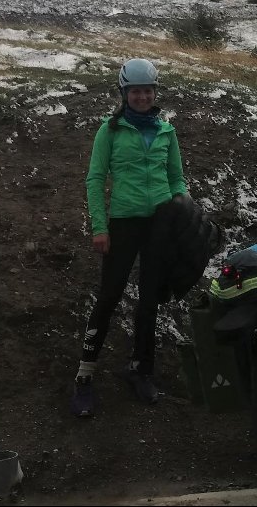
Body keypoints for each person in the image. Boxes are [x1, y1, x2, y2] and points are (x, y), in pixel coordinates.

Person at [71, 58, 188, 417]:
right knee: (108, 297)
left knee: (149, 300)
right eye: (135, 91)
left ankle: (140, 370)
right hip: (123, 223)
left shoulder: (167, 131)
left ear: (155, 93)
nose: (142, 96)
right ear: (124, 93)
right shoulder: (110, 131)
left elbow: (176, 178)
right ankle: (84, 377)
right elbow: (95, 179)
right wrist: (100, 227)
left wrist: (183, 207)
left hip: (160, 226)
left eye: (148, 90)